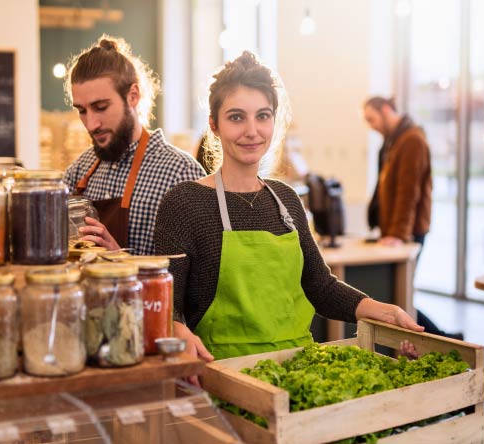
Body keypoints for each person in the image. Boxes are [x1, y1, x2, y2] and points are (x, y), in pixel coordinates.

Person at [155, 52, 423, 363]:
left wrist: (383, 310)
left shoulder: (285, 199)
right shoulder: (184, 203)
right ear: (214, 125)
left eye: (263, 116)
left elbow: (319, 285)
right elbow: (165, 304)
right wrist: (178, 329)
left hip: (299, 367)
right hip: (223, 374)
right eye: (236, 117)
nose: (252, 130)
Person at [63, 35, 205, 255]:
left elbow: (195, 276)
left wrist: (119, 259)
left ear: (133, 96)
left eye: (100, 107)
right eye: (82, 110)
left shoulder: (181, 174)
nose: (91, 124)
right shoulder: (78, 172)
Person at [362, 96, 463, 340]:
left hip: (408, 232)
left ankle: (444, 339)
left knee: (401, 295)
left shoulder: (412, 141)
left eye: (371, 119)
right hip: (398, 231)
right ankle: (445, 337)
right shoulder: (394, 141)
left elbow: (409, 192)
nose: (371, 126)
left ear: (386, 110)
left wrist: (397, 234)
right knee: (399, 294)